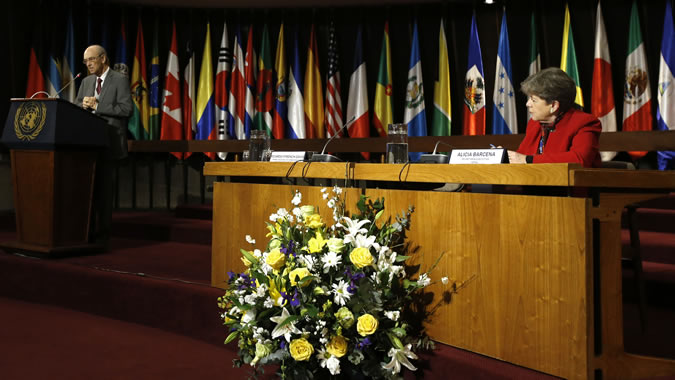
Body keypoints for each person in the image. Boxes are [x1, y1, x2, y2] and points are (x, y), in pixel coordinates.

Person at [75, 44, 133, 247]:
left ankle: (103, 235)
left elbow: (126, 109)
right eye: (85, 61)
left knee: (105, 192)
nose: (88, 64)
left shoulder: (120, 80)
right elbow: (77, 105)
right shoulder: (86, 82)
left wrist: (98, 106)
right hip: (88, 144)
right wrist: (81, 105)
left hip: (109, 143)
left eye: (91, 59)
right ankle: (86, 232)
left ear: (103, 58)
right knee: (88, 191)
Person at [507, 67, 601, 168]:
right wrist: (505, 157)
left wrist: (528, 160)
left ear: (554, 105)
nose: (527, 104)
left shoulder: (584, 122)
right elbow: (521, 157)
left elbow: (579, 159)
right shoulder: (534, 124)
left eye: (534, 100)